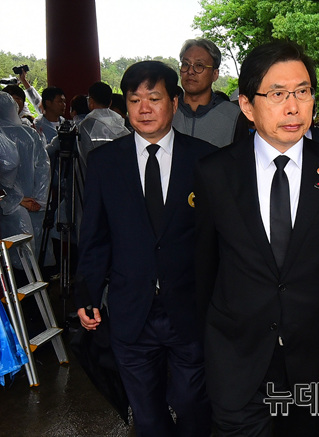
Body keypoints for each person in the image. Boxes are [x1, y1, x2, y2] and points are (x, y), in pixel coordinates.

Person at [194, 41, 319, 436]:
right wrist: (210, 351)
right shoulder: (215, 174)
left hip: (314, 366)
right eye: (277, 94)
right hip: (237, 362)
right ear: (247, 105)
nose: (293, 107)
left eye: (303, 92)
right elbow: (204, 269)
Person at [75, 60, 215, 437]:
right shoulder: (104, 162)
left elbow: (219, 238)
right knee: (147, 415)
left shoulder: (205, 159)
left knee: (192, 403)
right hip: (130, 310)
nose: (144, 108)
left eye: (154, 98)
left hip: (189, 309)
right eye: (135, 100)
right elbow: (94, 236)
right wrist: (88, 294)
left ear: (174, 101)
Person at [0, 92, 51, 269]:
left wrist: (13, 198)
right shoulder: (30, 134)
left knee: (10, 261)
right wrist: (40, 200)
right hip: (31, 203)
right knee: (28, 258)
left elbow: (8, 166)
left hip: (11, 203)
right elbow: (43, 169)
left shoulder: (3, 136)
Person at [172, 38, 249, 147]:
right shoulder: (166, 111)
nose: (190, 71)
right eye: (185, 64)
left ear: (215, 74)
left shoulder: (234, 116)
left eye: (199, 65)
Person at [77, 82, 130, 176]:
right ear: (110, 102)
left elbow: (86, 157)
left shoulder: (86, 125)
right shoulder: (119, 121)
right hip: (120, 175)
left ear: (91, 102)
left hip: (97, 176)